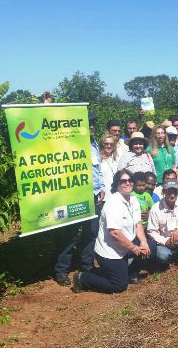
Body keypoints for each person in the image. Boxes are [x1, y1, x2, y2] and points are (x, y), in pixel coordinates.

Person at [73, 169, 151, 293]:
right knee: (119, 286)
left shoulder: (133, 200)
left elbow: (138, 224)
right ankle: (83, 278)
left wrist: (143, 242)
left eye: (130, 180)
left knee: (150, 247)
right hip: (110, 252)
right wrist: (134, 248)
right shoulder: (113, 203)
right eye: (123, 181)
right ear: (116, 184)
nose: (127, 183)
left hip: (125, 248)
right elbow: (115, 233)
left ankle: (126, 271)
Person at [54, 111, 105, 286]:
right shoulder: (70, 145)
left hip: (93, 195)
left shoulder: (95, 144)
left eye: (93, 123)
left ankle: (87, 266)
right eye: (88, 123)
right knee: (71, 234)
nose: (92, 126)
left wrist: (101, 188)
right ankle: (62, 270)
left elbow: (97, 171)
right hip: (75, 196)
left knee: (91, 233)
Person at [100, 133, 120, 199]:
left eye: (111, 144)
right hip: (103, 197)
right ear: (102, 144)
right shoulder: (98, 160)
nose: (109, 146)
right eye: (106, 144)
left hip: (116, 196)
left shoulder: (117, 158)